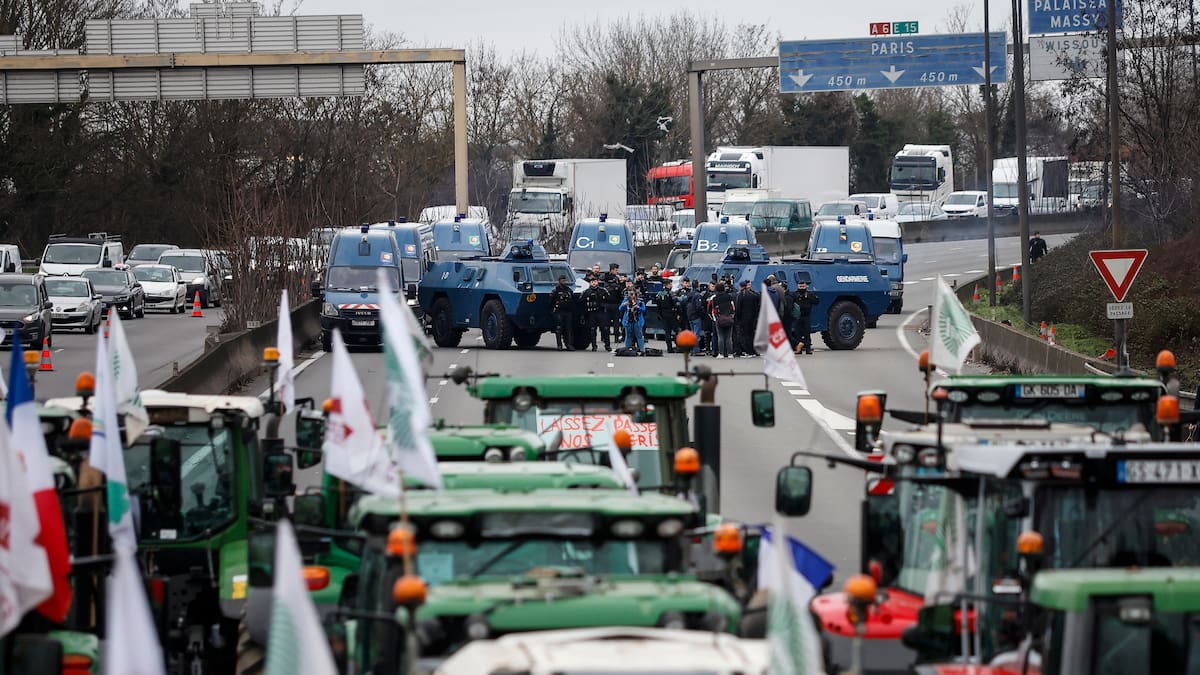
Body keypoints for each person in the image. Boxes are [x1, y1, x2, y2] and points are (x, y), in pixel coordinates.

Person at [582, 276, 611, 352]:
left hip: (601, 312)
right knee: (592, 330)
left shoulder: (603, 291)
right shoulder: (586, 292)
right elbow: (581, 302)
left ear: (597, 282)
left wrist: (603, 304)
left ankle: (607, 345)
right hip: (591, 313)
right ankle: (594, 346)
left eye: (595, 281)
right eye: (592, 282)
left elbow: (609, 300)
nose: (594, 283)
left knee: (605, 329)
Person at [791, 280, 819, 355]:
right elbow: (791, 303)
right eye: (800, 286)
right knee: (797, 333)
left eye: (803, 286)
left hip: (806, 316)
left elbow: (816, 302)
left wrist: (810, 297)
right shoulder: (795, 294)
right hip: (798, 317)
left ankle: (808, 349)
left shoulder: (809, 294)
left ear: (806, 286)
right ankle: (799, 349)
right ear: (797, 286)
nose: (802, 288)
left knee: (807, 333)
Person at [711, 282, 736, 359]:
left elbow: (712, 310)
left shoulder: (714, 298)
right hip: (728, 318)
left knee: (720, 337)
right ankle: (730, 353)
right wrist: (732, 316)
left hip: (719, 319)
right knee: (729, 337)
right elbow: (733, 308)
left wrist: (715, 318)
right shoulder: (729, 296)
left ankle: (721, 353)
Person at [551, 275, 575, 351]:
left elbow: (572, 301)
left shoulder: (568, 290)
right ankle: (559, 345)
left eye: (565, 280)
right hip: (559, 311)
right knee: (559, 328)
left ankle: (569, 344)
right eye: (562, 280)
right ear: (559, 281)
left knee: (569, 329)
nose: (564, 282)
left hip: (567, 312)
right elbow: (551, 302)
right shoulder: (556, 290)